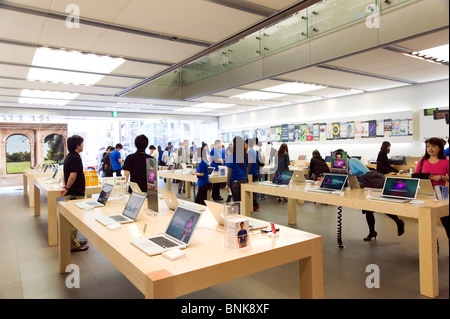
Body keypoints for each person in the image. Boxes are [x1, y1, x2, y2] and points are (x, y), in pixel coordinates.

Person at [414, 137, 449, 238]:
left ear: (440, 148)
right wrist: (428, 176)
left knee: (446, 221)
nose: (430, 148)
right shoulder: (422, 161)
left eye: (433, 146)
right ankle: (433, 247)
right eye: (428, 146)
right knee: (428, 223)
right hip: (425, 193)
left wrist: (441, 177)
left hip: (441, 194)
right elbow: (415, 175)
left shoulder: (446, 162)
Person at [61, 135, 88, 252]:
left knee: (73, 218)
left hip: (72, 191)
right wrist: (67, 188)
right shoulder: (76, 158)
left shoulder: (69, 156)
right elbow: (72, 175)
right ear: (77, 145)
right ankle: (73, 244)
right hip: (75, 192)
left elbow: (64, 174)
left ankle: (74, 240)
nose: (83, 145)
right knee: (74, 219)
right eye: (82, 143)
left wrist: (65, 187)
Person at [225, 136, 248, 202]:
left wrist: (227, 184)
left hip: (234, 182)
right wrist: (246, 180)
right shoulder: (245, 156)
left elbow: (230, 172)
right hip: (243, 180)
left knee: (236, 201)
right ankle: (242, 212)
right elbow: (246, 169)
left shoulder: (231, 156)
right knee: (243, 201)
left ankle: (238, 212)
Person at [246, 138, 259, 210]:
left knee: (251, 190)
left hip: (251, 173)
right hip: (254, 172)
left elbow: (250, 162)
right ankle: (254, 204)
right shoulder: (253, 151)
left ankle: (254, 205)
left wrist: (247, 171)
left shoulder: (250, 152)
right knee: (252, 190)